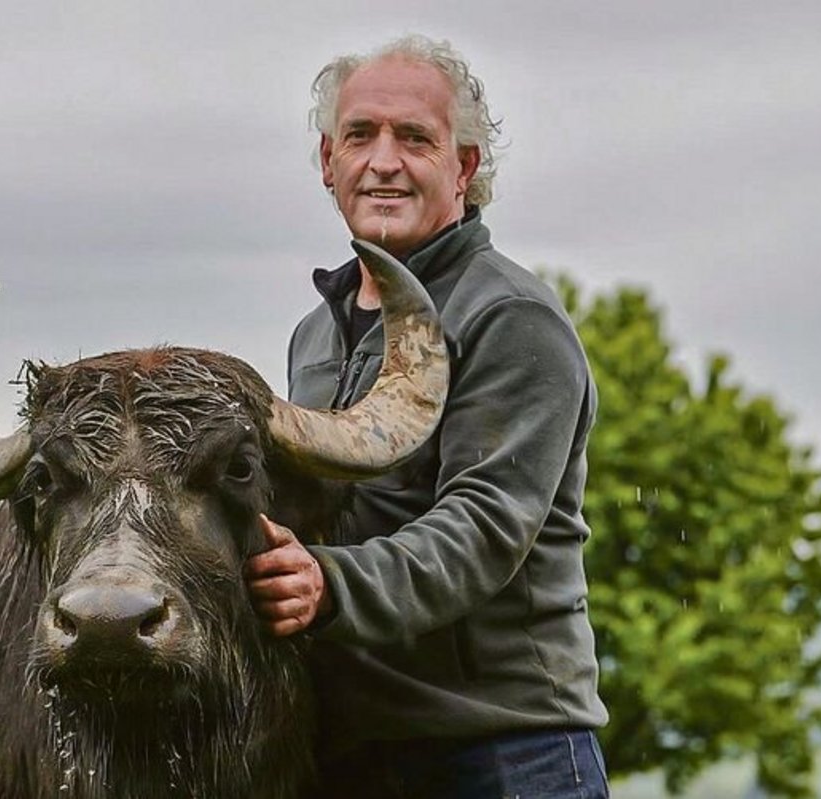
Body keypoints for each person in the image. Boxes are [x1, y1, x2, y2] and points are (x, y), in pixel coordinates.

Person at [245, 35, 611, 798]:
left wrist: (330, 585)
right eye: (360, 135)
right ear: (327, 161)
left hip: (501, 749)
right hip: (350, 750)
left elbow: (484, 525)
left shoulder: (509, 316)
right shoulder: (314, 335)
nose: (384, 161)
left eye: (415, 138)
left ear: (464, 167)